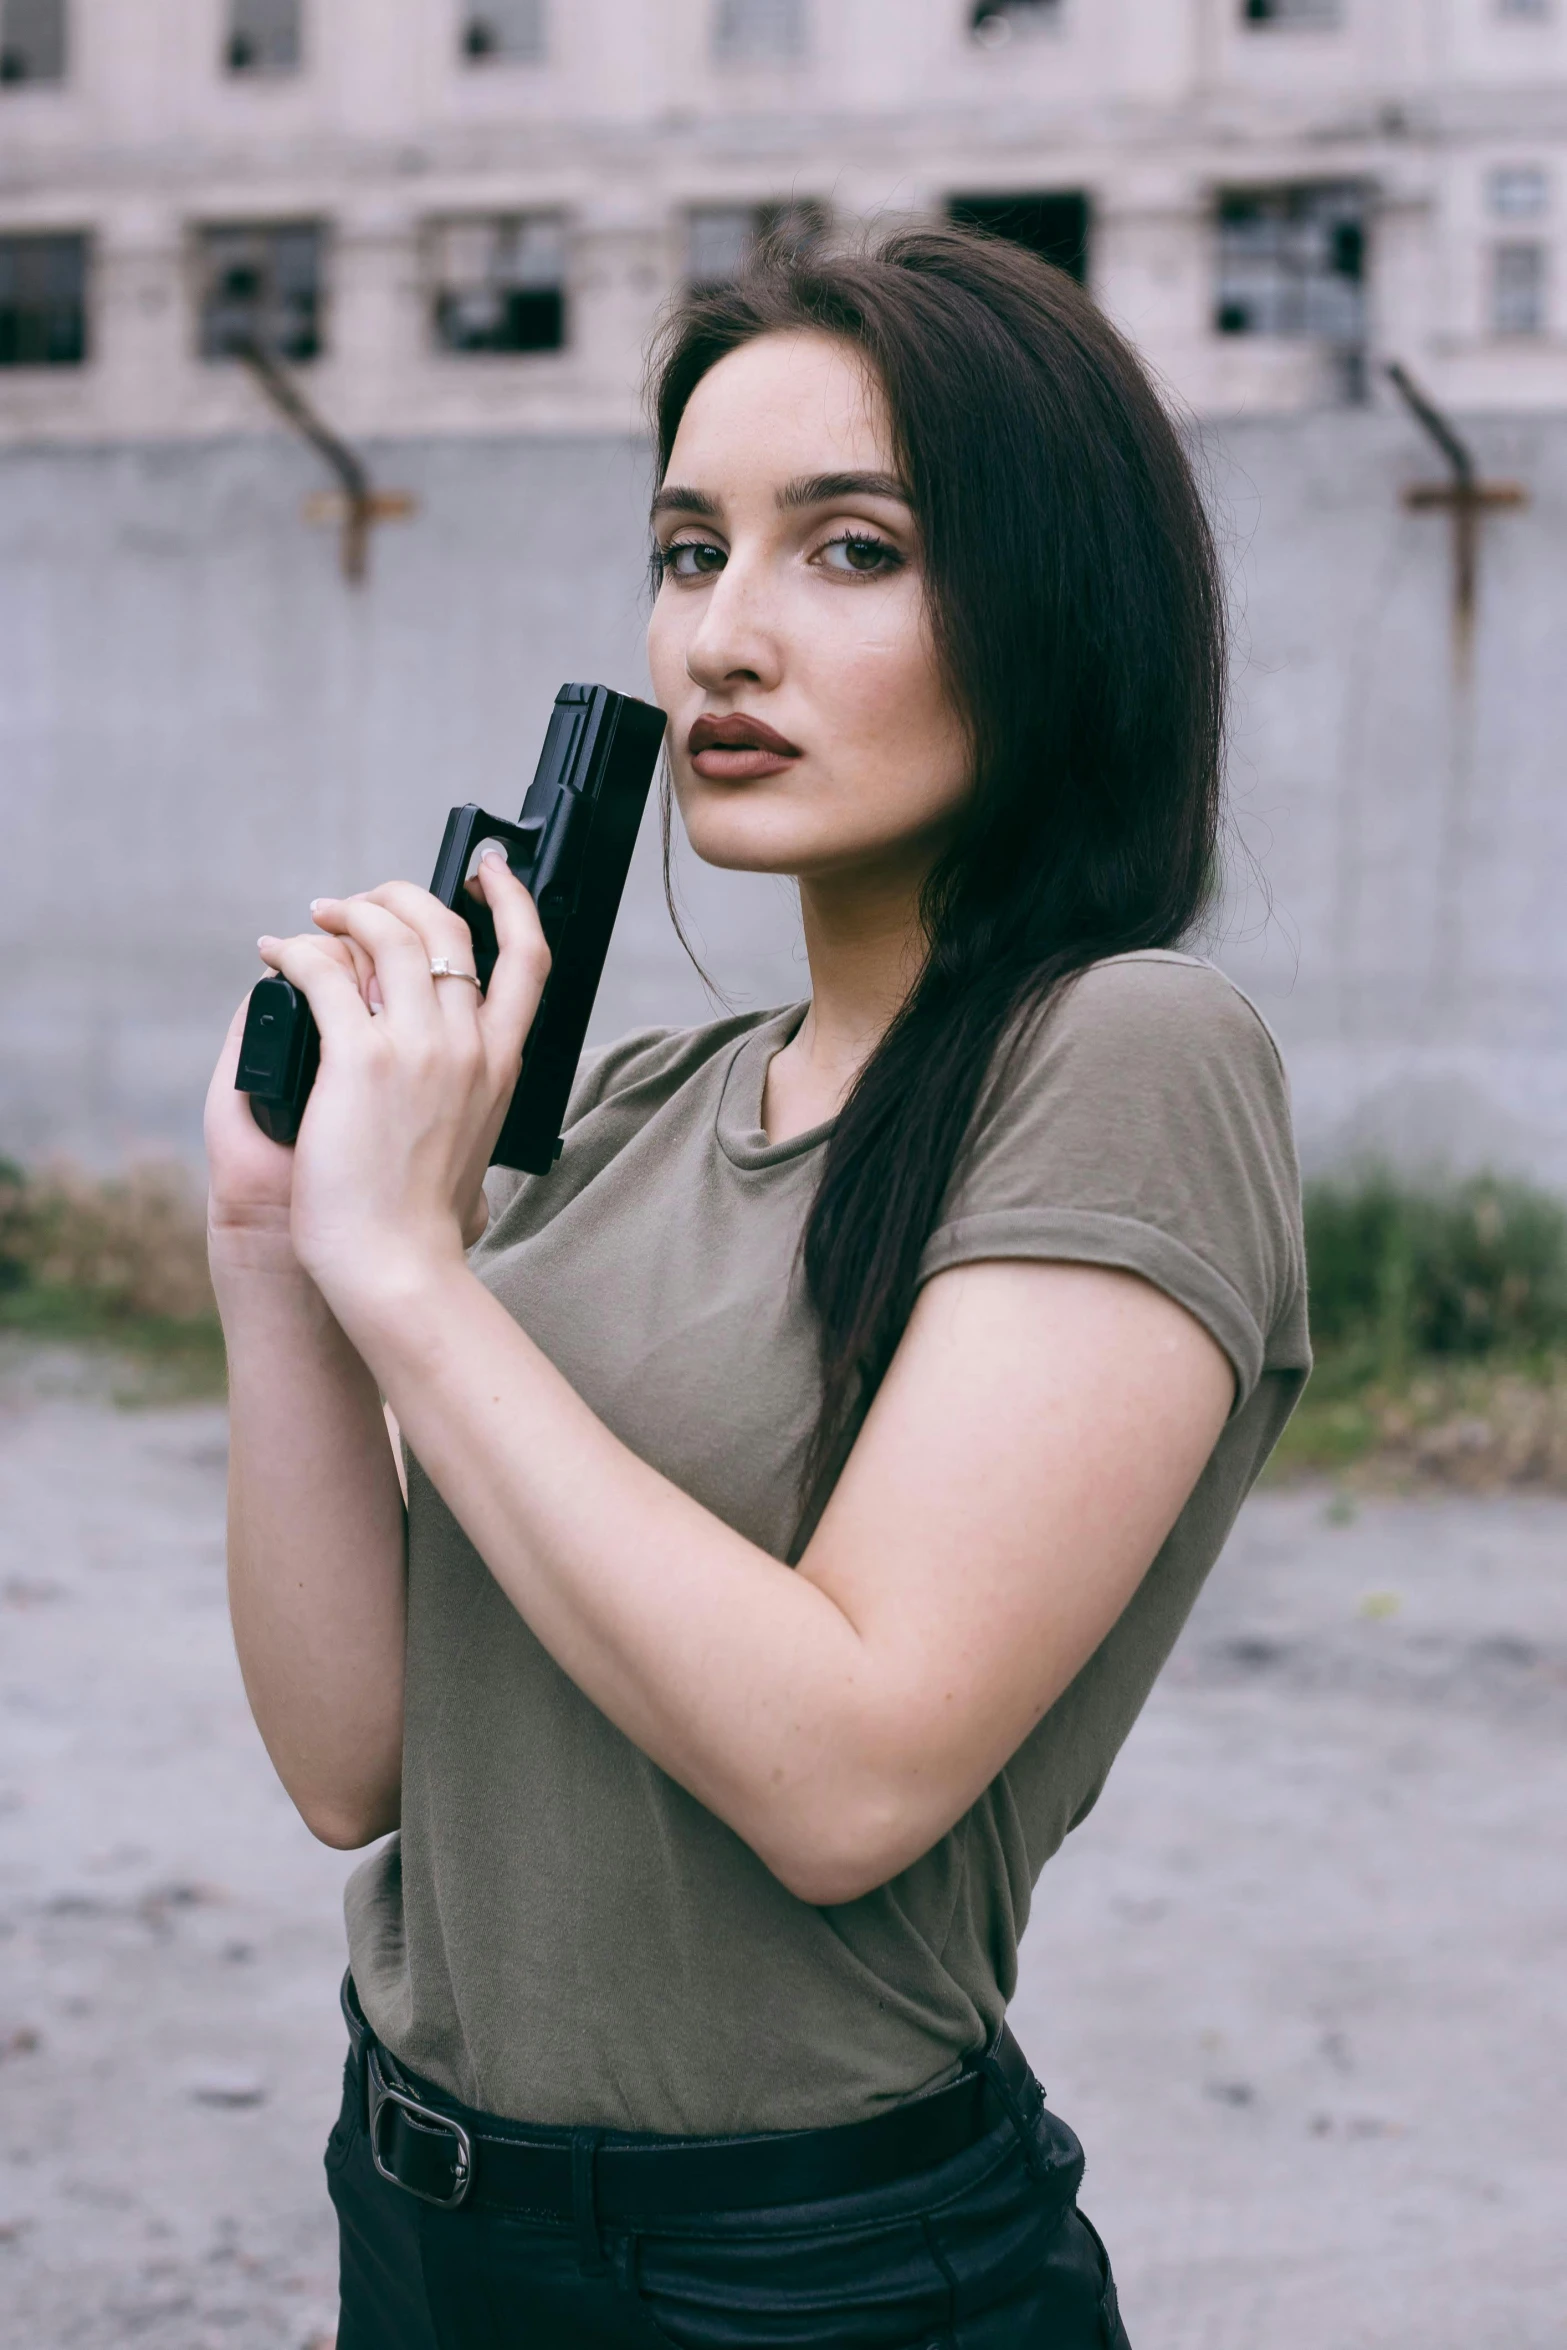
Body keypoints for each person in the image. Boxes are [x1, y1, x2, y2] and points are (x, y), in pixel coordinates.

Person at [204, 226, 1308, 2350]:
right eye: (691, 547)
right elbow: (356, 1765)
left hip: (797, 2277)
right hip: (421, 2213)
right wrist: (280, 1252)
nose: (723, 635)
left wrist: (412, 1273)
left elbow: (847, 1776)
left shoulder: (1130, 1053)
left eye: (853, 549)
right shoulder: (628, 1105)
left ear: (1057, 603)